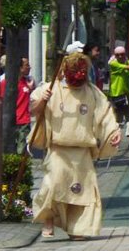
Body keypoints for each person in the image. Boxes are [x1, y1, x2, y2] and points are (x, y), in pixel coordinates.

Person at [30, 52, 121, 239]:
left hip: (82, 151)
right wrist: (42, 100)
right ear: (65, 70)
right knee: (53, 184)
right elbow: (34, 111)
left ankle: (77, 229)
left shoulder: (92, 92)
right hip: (58, 150)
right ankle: (49, 220)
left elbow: (106, 114)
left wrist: (114, 132)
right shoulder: (51, 88)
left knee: (82, 193)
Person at [0, 57, 36, 154]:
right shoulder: (6, 83)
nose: (29, 67)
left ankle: (21, 168)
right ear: (20, 68)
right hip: (11, 121)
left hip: (24, 121)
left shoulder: (28, 82)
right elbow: (2, 101)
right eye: (27, 65)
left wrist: (31, 89)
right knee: (9, 150)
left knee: (22, 149)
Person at [108, 46, 129, 150]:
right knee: (117, 121)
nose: (120, 56)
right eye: (118, 55)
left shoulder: (126, 62)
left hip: (126, 95)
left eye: (122, 54)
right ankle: (115, 143)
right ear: (115, 55)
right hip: (116, 95)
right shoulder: (113, 63)